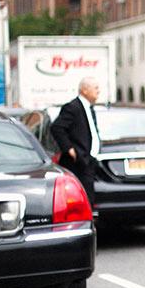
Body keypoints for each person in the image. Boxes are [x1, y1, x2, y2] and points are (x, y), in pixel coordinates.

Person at [50, 77, 101, 206]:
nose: (98, 91)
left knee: (89, 197)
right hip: (78, 161)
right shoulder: (73, 107)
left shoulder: (89, 108)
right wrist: (69, 149)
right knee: (81, 199)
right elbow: (57, 128)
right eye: (95, 88)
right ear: (84, 90)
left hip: (89, 160)